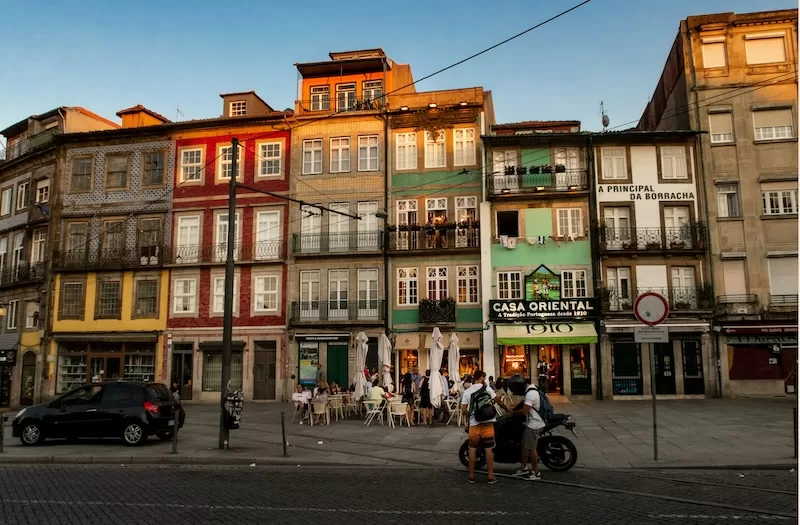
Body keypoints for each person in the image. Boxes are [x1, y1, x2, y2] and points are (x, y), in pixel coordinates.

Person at [461, 370, 509, 484]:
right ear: (481, 377)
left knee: (472, 449)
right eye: (484, 377)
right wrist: (506, 409)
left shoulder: (467, 392)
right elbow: (498, 401)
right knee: (489, 450)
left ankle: (471, 475)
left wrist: (472, 415)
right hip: (488, 424)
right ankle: (490, 476)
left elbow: (463, 410)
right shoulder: (487, 389)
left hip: (474, 425)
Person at [513, 382, 545, 481]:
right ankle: (523, 467)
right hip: (531, 423)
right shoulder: (533, 389)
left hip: (534, 424)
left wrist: (513, 412)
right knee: (525, 445)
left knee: (531, 448)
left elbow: (524, 411)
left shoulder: (530, 394)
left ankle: (536, 472)